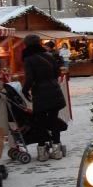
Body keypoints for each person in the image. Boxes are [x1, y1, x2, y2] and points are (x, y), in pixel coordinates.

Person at [22, 33, 67, 161]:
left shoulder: (29, 59)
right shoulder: (49, 56)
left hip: (40, 93)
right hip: (54, 91)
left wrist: (25, 90)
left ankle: (42, 152)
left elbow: (30, 77)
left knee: (40, 122)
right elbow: (57, 72)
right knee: (53, 120)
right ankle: (57, 150)